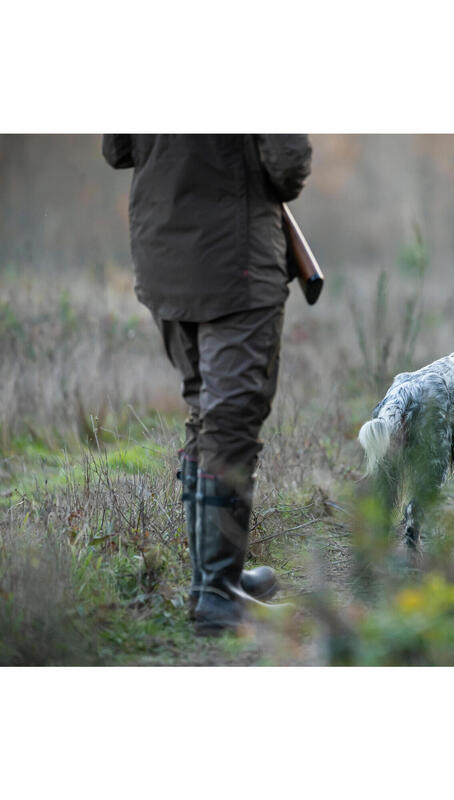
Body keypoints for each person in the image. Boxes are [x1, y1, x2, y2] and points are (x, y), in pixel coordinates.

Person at [102, 134, 312, 635]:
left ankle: (217, 579)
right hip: (232, 259)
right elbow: (287, 163)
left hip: (164, 254)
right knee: (230, 420)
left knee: (207, 410)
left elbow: (117, 149)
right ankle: (217, 594)